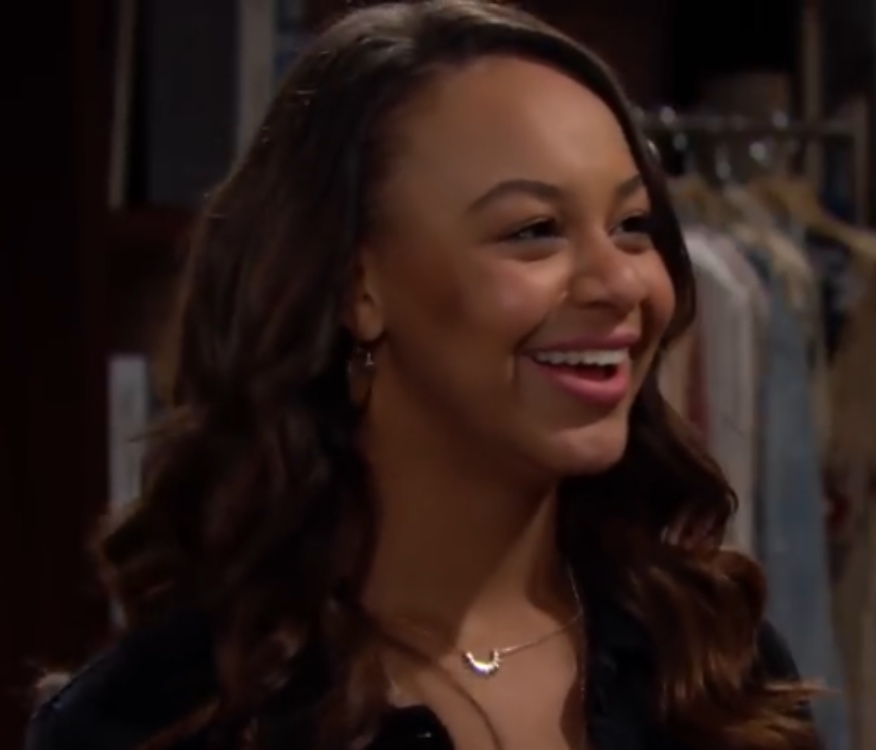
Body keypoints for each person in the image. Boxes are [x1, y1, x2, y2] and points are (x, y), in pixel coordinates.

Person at [27, 1, 822, 749]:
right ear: (358, 287)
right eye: (535, 230)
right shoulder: (160, 717)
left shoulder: (715, 668)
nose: (621, 283)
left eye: (632, 225)